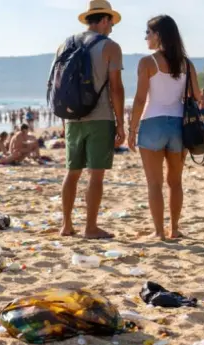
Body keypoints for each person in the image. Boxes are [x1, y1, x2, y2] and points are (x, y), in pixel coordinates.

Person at [128, 14, 198, 241]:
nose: (145, 37)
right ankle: (174, 229)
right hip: (178, 125)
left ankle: (159, 232)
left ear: (158, 35)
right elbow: (196, 95)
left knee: (154, 183)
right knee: (175, 182)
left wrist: (131, 129)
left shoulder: (148, 62)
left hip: (153, 123)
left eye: (148, 32)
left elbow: (140, 100)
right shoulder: (186, 63)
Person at [59, 0, 124, 239]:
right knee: (96, 174)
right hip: (100, 117)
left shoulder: (66, 44)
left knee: (71, 172)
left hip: (73, 117)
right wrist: (121, 123)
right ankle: (90, 227)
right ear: (104, 20)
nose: (112, 28)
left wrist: (63, 118)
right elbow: (116, 88)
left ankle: (66, 225)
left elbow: (59, 85)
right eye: (111, 23)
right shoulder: (110, 47)